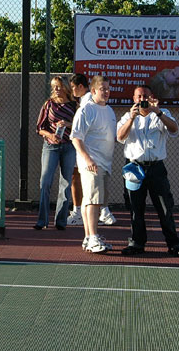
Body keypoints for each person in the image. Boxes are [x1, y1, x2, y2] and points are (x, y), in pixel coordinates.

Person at [116, 85, 179, 257]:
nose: (142, 100)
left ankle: (174, 244)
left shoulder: (162, 113)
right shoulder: (127, 116)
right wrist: (132, 119)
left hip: (156, 167)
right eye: (138, 97)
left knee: (164, 207)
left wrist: (158, 112)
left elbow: (174, 129)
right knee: (135, 207)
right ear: (134, 99)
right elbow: (120, 137)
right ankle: (137, 243)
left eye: (145, 96)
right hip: (134, 168)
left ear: (151, 97)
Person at [70, 75, 116, 253]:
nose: (106, 92)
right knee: (93, 201)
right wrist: (88, 159)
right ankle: (93, 238)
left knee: (94, 201)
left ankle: (89, 237)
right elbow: (75, 137)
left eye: (108, 89)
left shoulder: (109, 111)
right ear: (93, 91)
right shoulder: (86, 110)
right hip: (91, 163)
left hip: (105, 164)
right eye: (102, 89)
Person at [34, 76, 78, 230]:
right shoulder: (49, 104)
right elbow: (40, 128)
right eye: (54, 87)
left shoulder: (74, 105)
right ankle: (42, 221)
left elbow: (80, 127)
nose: (56, 90)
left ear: (65, 87)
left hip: (69, 146)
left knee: (65, 184)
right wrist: (50, 135)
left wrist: (68, 124)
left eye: (59, 86)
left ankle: (60, 221)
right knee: (45, 182)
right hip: (50, 146)